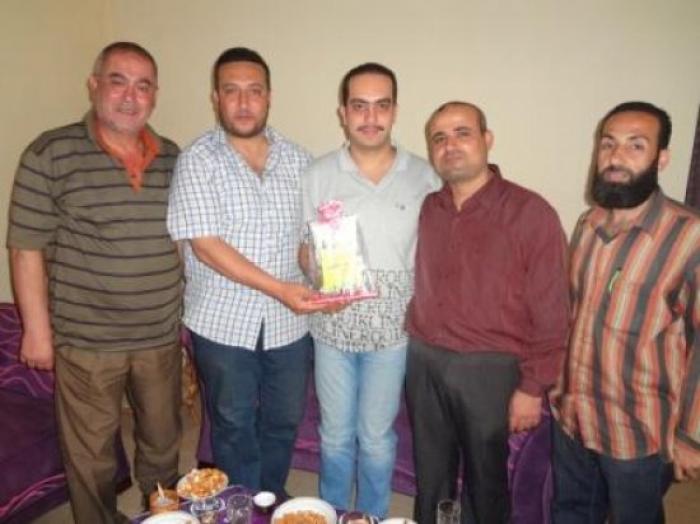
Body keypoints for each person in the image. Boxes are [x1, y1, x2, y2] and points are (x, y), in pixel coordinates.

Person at [7, 42, 182, 523]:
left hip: (159, 336)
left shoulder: (173, 157)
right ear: (94, 85)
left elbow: (184, 241)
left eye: (143, 86)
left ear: (155, 94)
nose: (130, 96)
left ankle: (165, 517)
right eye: (117, 81)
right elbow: (25, 248)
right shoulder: (50, 153)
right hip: (88, 341)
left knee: (163, 443)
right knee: (92, 456)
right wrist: (37, 332)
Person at [167, 47, 326, 497]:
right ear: (215, 98)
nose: (243, 102)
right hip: (222, 321)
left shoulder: (299, 160)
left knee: (284, 419)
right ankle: (241, 505)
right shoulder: (198, 159)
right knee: (232, 421)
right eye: (231, 91)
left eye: (254, 91)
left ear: (269, 97)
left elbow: (306, 242)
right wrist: (279, 289)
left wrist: (330, 279)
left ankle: (267, 496)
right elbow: (206, 246)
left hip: (288, 322)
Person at [405, 101, 569, 524]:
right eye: (439, 138)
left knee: (485, 481)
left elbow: (553, 310)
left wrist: (532, 386)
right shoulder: (429, 208)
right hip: (424, 360)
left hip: (488, 369)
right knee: (432, 474)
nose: (450, 145)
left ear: (487, 139)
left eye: (462, 133)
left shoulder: (530, 213)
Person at [299, 63, 439, 517]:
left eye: (381, 106)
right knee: (335, 436)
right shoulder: (318, 173)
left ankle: (372, 517)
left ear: (395, 111)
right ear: (343, 113)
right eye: (359, 106)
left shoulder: (425, 176)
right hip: (332, 330)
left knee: (377, 438)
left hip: (393, 335)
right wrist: (321, 275)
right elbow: (303, 247)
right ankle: (332, 513)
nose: (370, 117)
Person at [550, 101, 700, 523]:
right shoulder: (588, 224)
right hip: (573, 417)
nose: (616, 157)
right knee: (570, 513)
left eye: (636, 145)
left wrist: (691, 437)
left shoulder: (689, 235)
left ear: (661, 158)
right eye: (608, 144)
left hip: (638, 432)